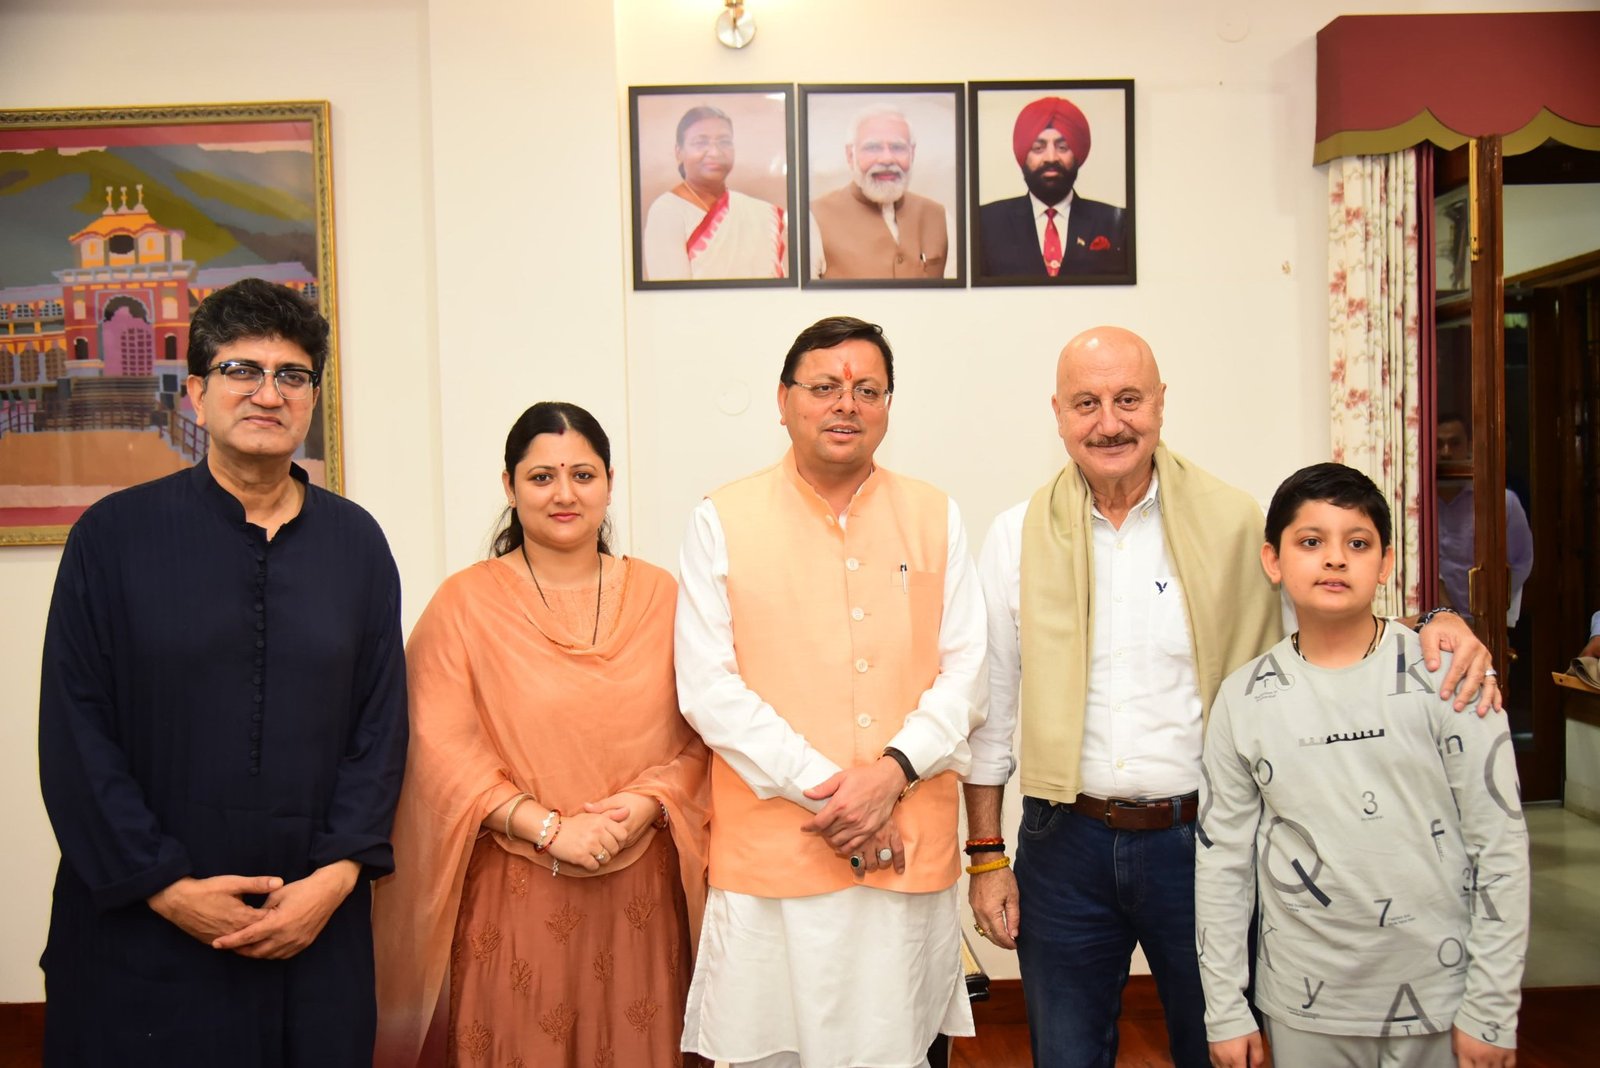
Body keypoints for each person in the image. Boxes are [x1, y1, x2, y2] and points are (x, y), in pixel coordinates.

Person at [963, 325, 1498, 1068]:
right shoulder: (1015, 536)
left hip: (1204, 842)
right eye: (1086, 403)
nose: (1109, 422)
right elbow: (991, 708)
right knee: (1065, 1055)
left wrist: (1436, 618)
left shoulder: (1236, 522)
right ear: (1057, 413)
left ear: (1161, 402)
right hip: (1064, 844)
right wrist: (987, 856)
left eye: (1128, 399)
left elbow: (1329, 619)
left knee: (1222, 1048)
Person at [37, 278, 409, 1065]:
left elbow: (380, 732)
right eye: (242, 370)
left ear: (312, 399)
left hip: (312, 925)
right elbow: (75, 734)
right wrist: (165, 888)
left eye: (292, 375)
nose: (268, 393)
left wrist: (335, 878)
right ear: (198, 394)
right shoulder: (112, 538)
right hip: (142, 934)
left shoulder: (358, 546)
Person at [674, 316, 985, 1067]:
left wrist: (890, 776)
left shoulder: (935, 515)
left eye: (867, 390)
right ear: (783, 401)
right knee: (772, 1051)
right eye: (824, 388)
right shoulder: (722, 519)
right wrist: (842, 797)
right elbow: (709, 689)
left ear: (888, 407)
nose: (847, 404)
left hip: (905, 849)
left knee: (902, 1047)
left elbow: (969, 673)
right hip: (777, 857)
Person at [372, 402, 710, 1067]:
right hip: (515, 889)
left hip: (641, 893)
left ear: (609, 483)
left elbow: (703, 733)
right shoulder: (465, 604)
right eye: (541, 477)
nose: (564, 494)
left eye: (582, 475)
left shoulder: (663, 598)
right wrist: (550, 829)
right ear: (509, 486)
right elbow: (437, 748)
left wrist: (644, 804)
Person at [1196, 462, 1527, 1068]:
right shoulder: (1242, 700)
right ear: (1273, 560)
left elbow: (1499, 847)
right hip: (1303, 1004)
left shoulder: (1450, 676)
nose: (1334, 558)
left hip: (1442, 996)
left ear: (1386, 562)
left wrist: (1492, 1006)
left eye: (1357, 543)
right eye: (1310, 541)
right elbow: (1223, 866)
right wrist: (1225, 1007)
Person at [977, 96, 1128, 279]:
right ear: (1023, 155)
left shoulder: (1116, 222)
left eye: (1062, 147)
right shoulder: (985, 222)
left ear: (1077, 154)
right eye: (1038, 148)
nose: (1051, 158)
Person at [642, 104, 788, 281]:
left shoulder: (760, 213)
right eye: (700, 142)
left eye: (724, 142)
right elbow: (672, 292)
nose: (714, 152)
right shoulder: (667, 211)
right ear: (679, 152)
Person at [809, 107, 949, 280]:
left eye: (898, 147)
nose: (887, 159)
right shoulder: (812, 219)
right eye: (872, 147)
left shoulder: (940, 217)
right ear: (850, 155)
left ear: (912, 153)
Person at [1435, 413, 1534, 625]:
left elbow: (1521, 561)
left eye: (1455, 443)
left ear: (1469, 446)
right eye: (1439, 444)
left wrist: (1493, 606)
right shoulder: (1417, 506)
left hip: (1486, 622)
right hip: (1434, 621)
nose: (1446, 453)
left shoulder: (1502, 502)